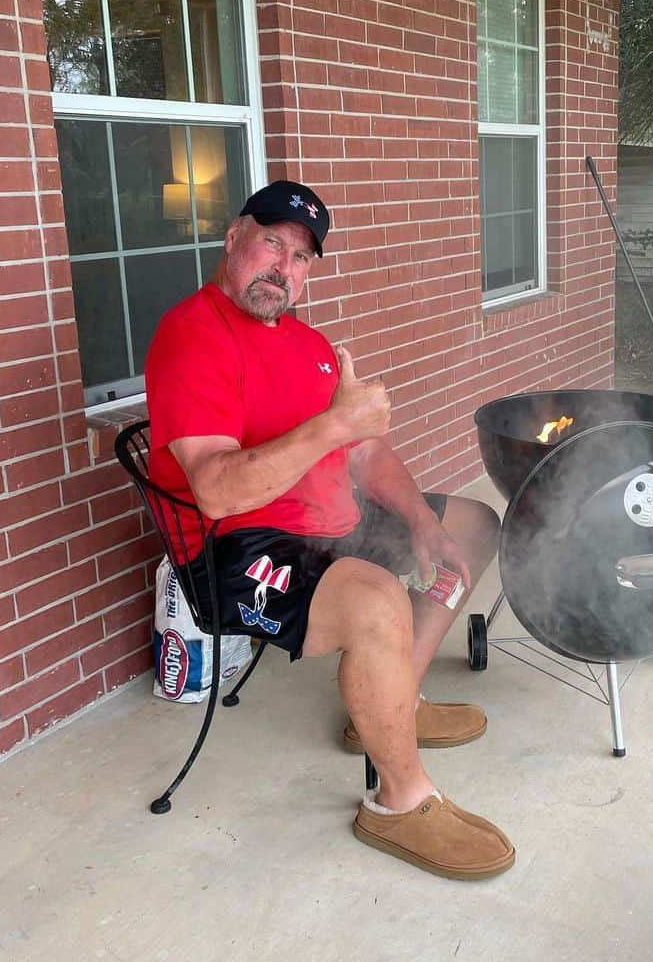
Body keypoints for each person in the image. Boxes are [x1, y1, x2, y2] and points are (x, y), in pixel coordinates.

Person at [145, 180, 514, 880]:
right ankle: (398, 802)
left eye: (303, 257)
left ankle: (390, 697)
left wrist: (417, 521)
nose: (285, 268)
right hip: (236, 548)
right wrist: (335, 425)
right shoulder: (192, 334)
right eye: (272, 245)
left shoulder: (310, 344)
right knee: (376, 599)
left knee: (471, 525)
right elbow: (218, 490)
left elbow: (365, 453)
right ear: (234, 239)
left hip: (325, 524)